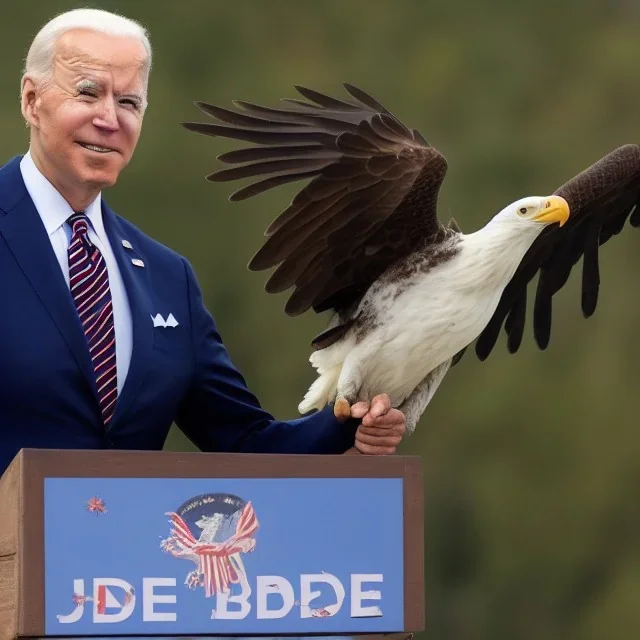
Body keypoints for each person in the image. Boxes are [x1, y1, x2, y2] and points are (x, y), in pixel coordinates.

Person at [0, 8, 407, 476]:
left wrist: (346, 422)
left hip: (124, 545)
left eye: (129, 103)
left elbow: (244, 440)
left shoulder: (167, 278)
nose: (109, 118)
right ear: (32, 100)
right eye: (88, 93)